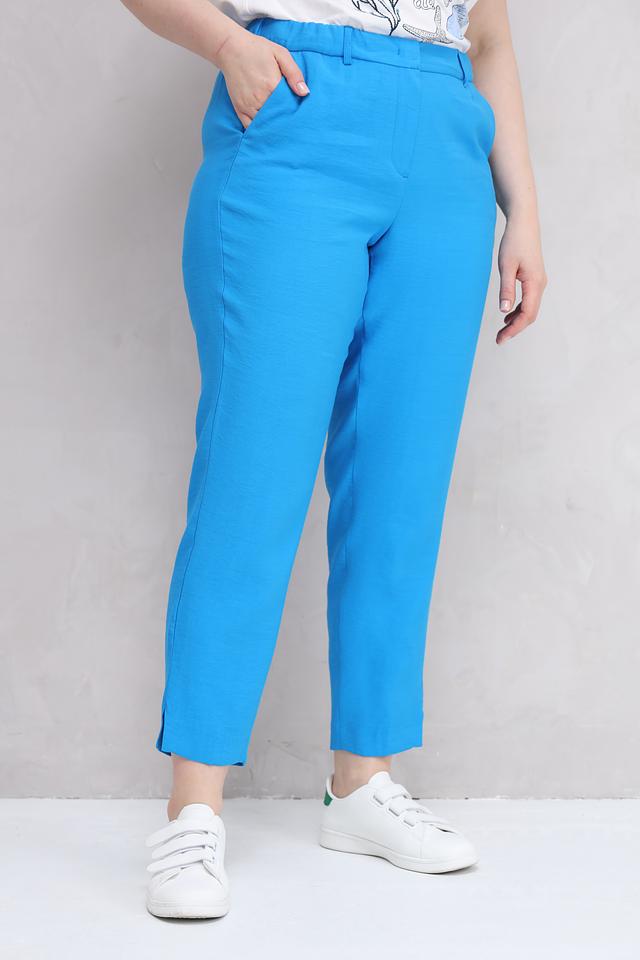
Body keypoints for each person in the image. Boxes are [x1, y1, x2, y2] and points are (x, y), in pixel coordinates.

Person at [121, 0, 546, 919]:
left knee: (401, 485)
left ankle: (362, 781)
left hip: (448, 149)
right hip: (299, 114)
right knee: (252, 477)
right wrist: (230, 46)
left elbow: (489, 35)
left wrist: (523, 211)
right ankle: (192, 809)